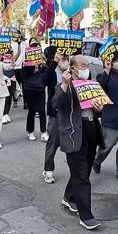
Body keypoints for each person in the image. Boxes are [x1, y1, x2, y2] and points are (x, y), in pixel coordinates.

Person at [53, 55, 105, 230]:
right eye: (83, 65)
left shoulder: (90, 84)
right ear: (73, 68)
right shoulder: (65, 85)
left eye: (87, 65)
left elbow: (96, 109)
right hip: (73, 133)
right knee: (81, 175)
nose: (86, 68)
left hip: (90, 130)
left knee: (84, 169)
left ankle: (70, 197)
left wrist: (99, 109)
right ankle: (86, 215)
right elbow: (56, 104)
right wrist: (65, 84)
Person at [93, 54, 118, 182]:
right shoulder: (104, 76)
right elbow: (99, 87)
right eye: (116, 60)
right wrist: (107, 70)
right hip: (111, 116)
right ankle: (96, 160)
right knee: (109, 143)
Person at [42, 52, 67, 184]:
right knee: (53, 142)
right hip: (56, 113)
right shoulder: (52, 72)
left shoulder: (73, 71)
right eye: (62, 58)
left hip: (70, 112)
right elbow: (43, 81)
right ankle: (48, 170)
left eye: (66, 58)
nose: (64, 60)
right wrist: (54, 63)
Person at [21, 38, 49, 141]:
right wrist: (29, 66)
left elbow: (47, 74)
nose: (35, 48)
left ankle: (43, 131)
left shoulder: (42, 61)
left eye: (37, 46)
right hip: (29, 88)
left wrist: (43, 64)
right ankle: (30, 131)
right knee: (31, 110)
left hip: (40, 87)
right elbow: (23, 76)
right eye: (33, 46)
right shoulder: (26, 61)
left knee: (42, 110)